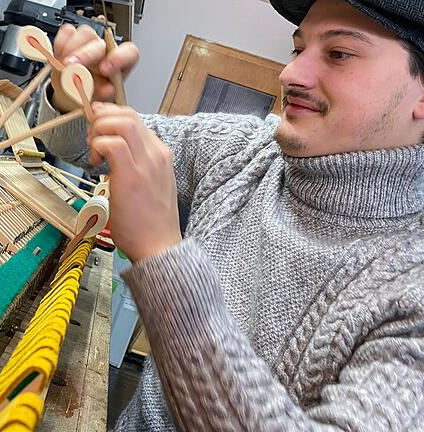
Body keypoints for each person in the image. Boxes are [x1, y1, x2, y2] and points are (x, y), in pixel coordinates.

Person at [36, 0, 424, 430]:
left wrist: (162, 257)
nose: (290, 74)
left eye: (338, 54)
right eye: (298, 49)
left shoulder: (411, 285)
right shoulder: (243, 152)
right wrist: (77, 98)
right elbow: (78, 146)